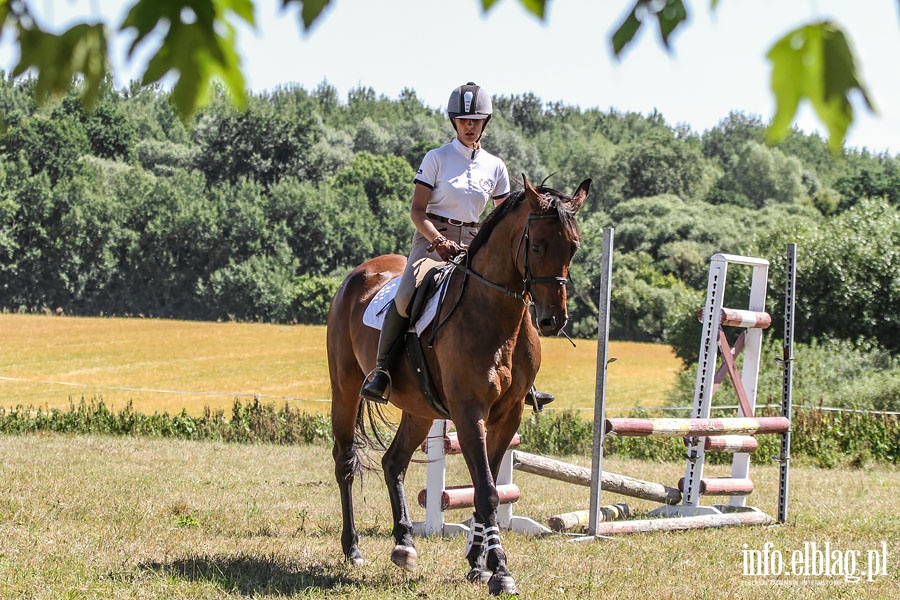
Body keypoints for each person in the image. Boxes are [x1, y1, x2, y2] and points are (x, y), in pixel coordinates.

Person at [359, 82, 554, 412]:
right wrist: (437, 240)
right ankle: (381, 372)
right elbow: (417, 211)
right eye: (463, 120)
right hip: (432, 240)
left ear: (484, 123)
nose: (469, 126)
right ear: (454, 122)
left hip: (476, 242)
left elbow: (503, 216)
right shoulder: (436, 158)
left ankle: (525, 381)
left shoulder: (495, 167)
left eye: (475, 121)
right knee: (406, 295)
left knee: (519, 293)